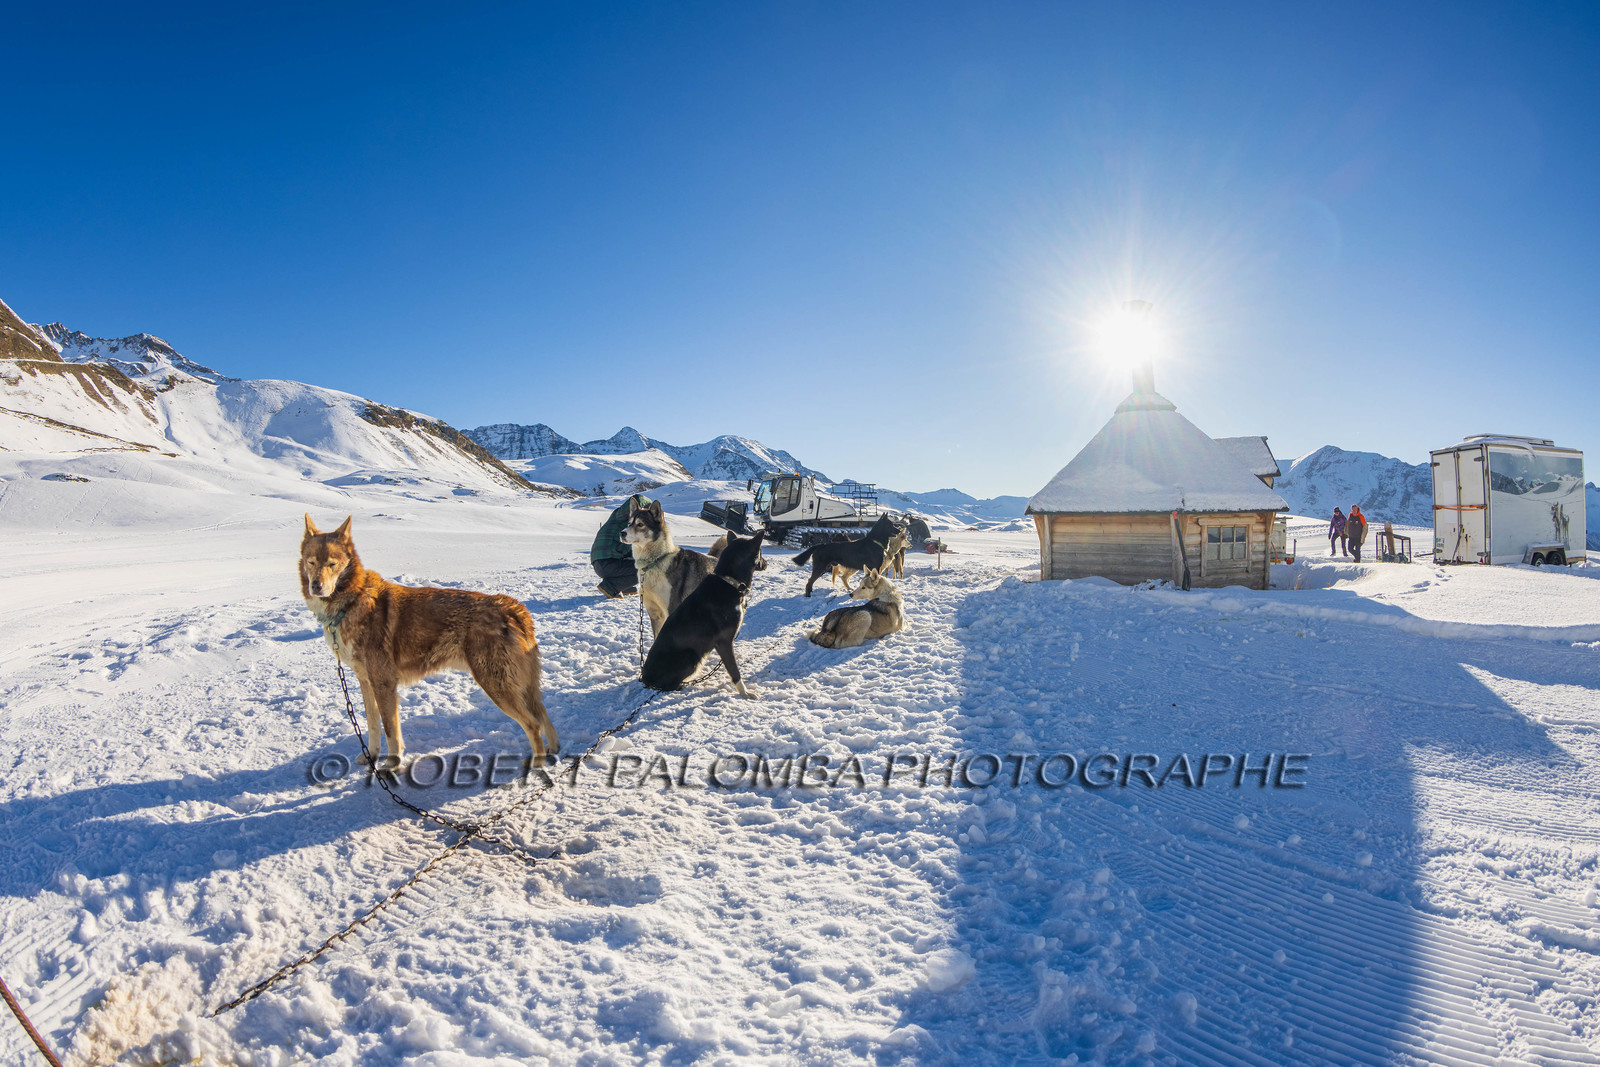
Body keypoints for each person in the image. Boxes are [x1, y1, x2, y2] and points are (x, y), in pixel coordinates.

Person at [591, 493, 648, 598]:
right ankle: (611, 586)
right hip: (607, 563)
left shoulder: (620, 521)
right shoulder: (623, 519)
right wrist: (649, 507)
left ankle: (625, 586)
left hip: (601, 563)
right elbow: (638, 498)